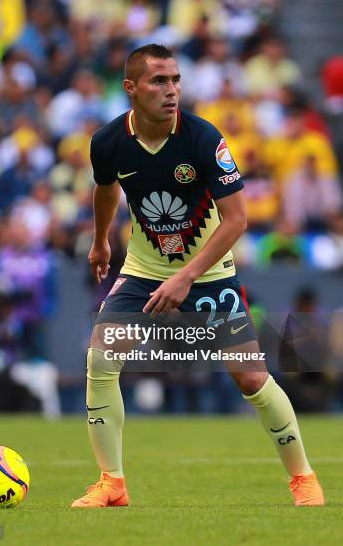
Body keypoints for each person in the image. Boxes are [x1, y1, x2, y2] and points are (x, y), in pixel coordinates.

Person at [71, 44, 324, 508]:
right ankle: (112, 484)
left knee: (250, 378)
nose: (171, 91)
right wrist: (101, 240)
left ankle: (304, 479)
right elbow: (106, 190)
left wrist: (187, 276)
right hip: (144, 270)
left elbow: (237, 221)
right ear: (131, 88)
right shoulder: (107, 142)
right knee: (101, 358)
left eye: (175, 80)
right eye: (158, 81)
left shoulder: (204, 139)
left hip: (208, 273)